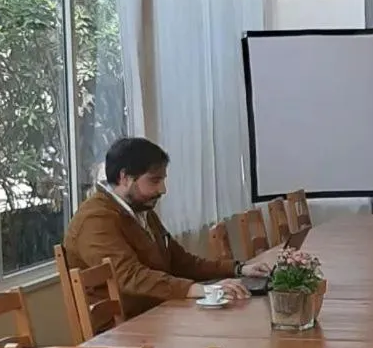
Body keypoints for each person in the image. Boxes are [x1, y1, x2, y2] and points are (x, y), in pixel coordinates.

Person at [64, 136, 270, 319]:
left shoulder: (142, 211)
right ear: (124, 178)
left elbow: (181, 261)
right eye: (154, 181)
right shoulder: (94, 219)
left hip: (159, 314)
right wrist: (203, 290)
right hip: (123, 330)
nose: (163, 190)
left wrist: (238, 269)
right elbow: (129, 276)